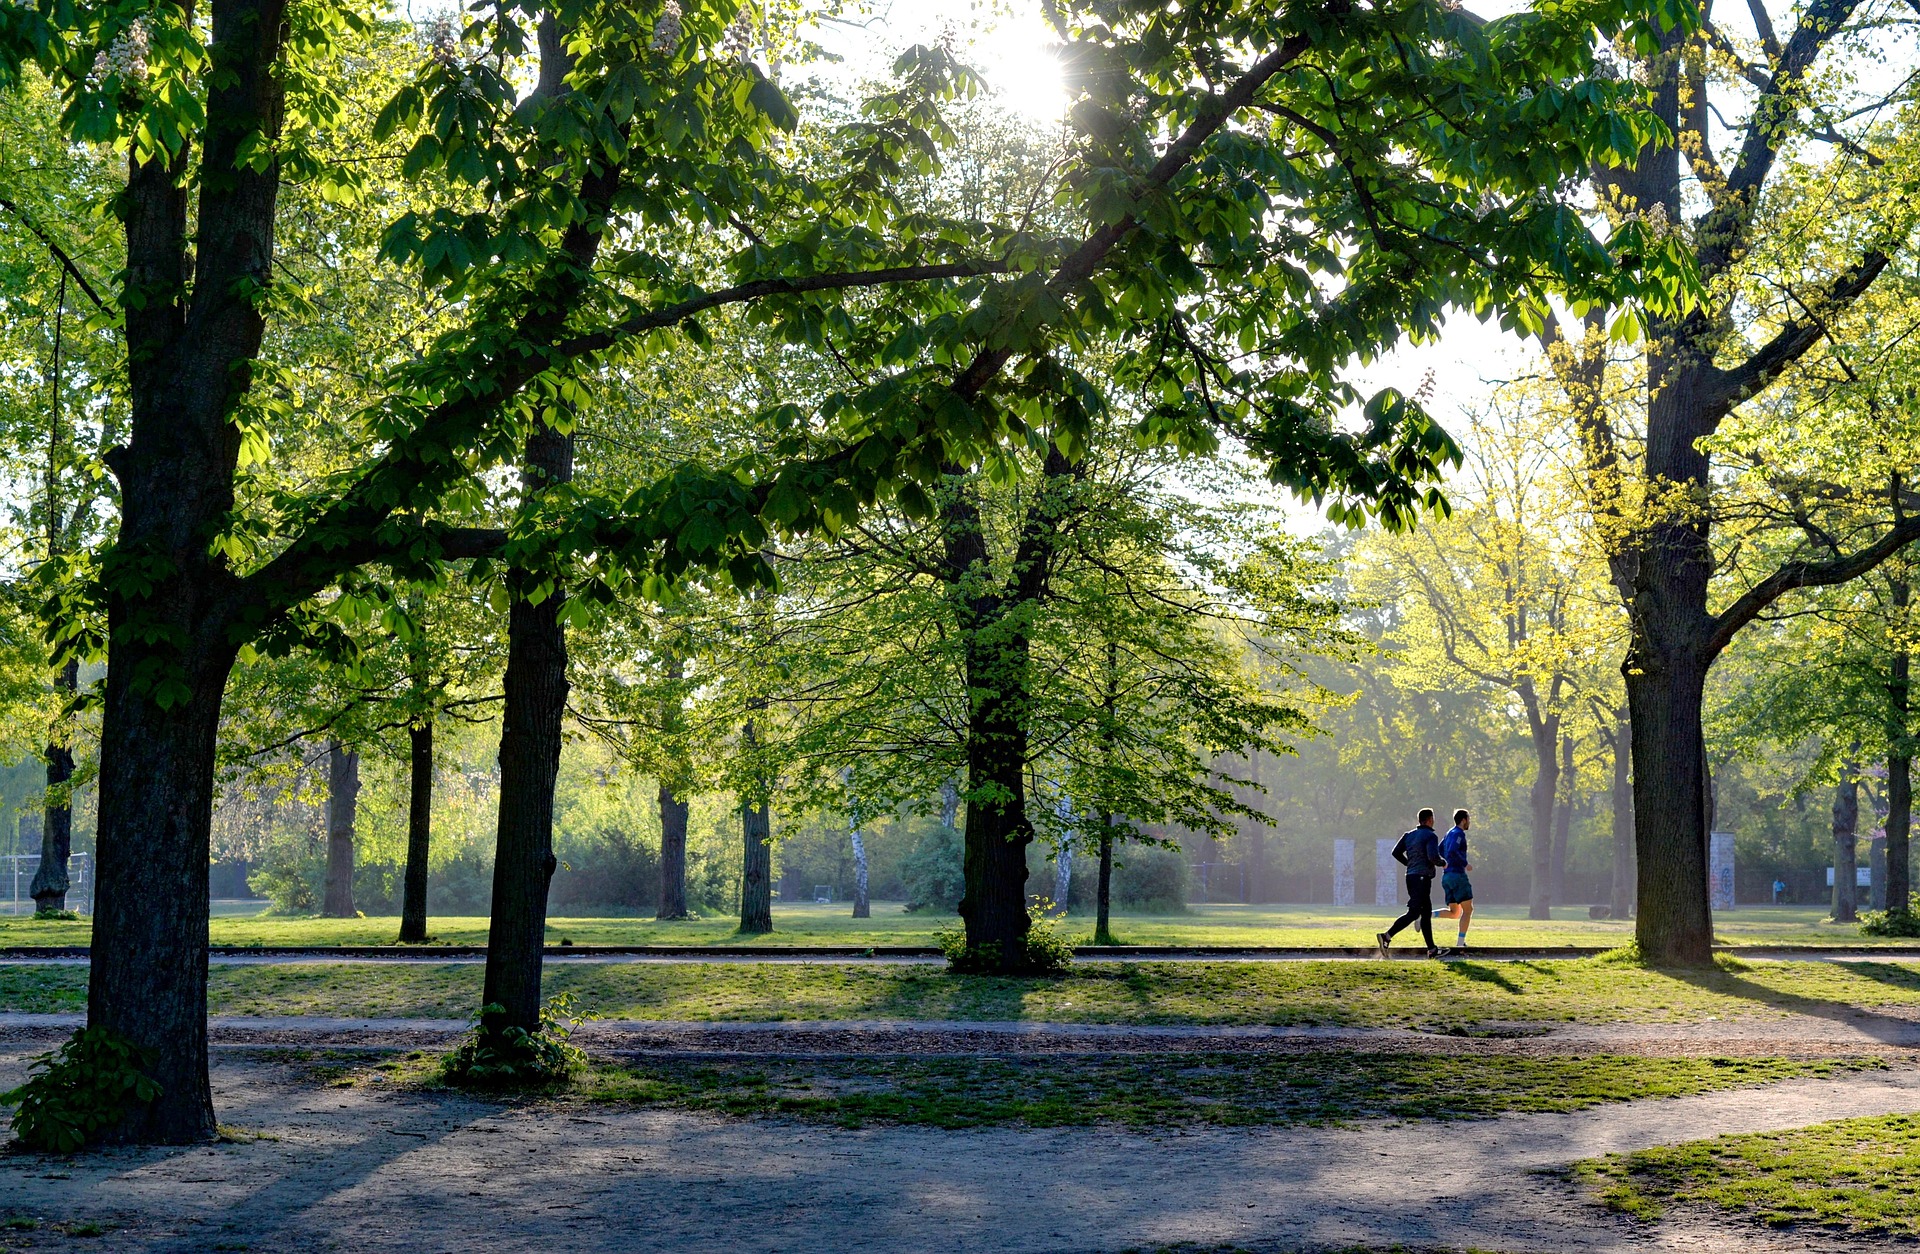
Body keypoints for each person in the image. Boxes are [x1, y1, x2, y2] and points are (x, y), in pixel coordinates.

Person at [1376, 808, 1442, 958]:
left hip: (1411, 877)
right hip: (1421, 878)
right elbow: (1433, 856)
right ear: (1430, 819)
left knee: (1425, 912)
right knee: (1414, 913)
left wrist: (1408, 864)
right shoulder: (1431, 835)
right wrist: (1442, 862)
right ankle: (1386, 936)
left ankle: (1432, 949)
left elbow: (1395, 852)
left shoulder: (1409, 835)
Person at [1436, 809, 1473, 953]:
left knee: (1454, 912)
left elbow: (1440, 849)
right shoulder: (1458, 834)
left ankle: (1425, 916)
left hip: (1446, 876)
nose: (1469, 822)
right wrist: (1464, 863)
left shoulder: (1448, 833)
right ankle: (1460, 943)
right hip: (1457, 875)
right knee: (1468, 910)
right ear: (1463, 820)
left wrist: (1445, 863)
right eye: (1468, 819)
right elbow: (1452, 850)